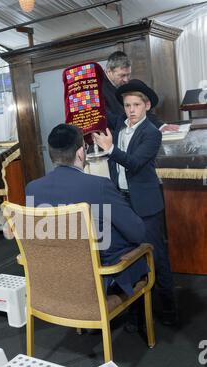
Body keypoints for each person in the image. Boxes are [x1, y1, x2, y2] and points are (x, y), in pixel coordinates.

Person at [24, 123, 149, 298]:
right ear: (81, 153)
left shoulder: (32, 188)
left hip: (53, 282)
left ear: (51, 155)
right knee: (140, 247)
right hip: (97, 283)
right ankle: (137, 323)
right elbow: (137, 233)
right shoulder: (99, 186)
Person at [93, 79, 178, 327]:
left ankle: (169, 310)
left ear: (146, 106)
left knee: (157, 255)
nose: (131, 110)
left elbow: (134, 163)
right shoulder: (120, 126)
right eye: (127, 105)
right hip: (123, 201)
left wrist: (110, 149)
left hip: (146, 204)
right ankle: (135, 311)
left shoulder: (151, 132)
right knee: (128, 256)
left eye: (136, 105)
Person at [103, 51, 179, 132]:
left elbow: (144, 110)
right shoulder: (98, 89)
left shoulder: (128, 84)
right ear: (108, 71)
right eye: (122, 75)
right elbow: (110, 119)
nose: (126, 80)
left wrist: (161, 125)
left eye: (128, 75)